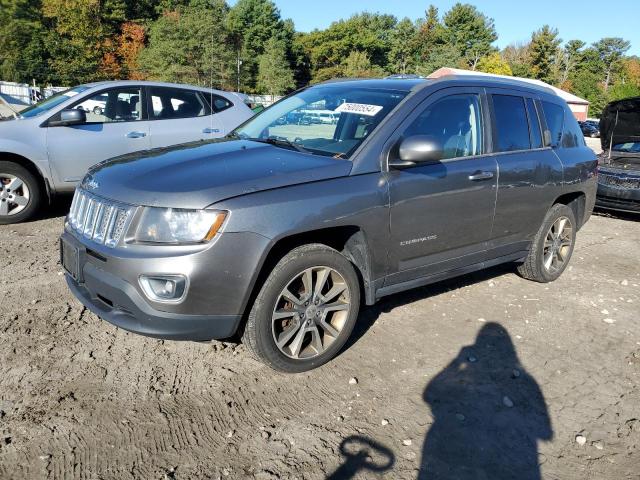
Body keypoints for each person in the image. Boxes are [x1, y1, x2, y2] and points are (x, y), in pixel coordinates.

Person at [420, 323, 552, 479]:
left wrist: (456, 362)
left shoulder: (525, 382)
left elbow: (429, 394)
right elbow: (545, 433)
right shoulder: (528, 381)